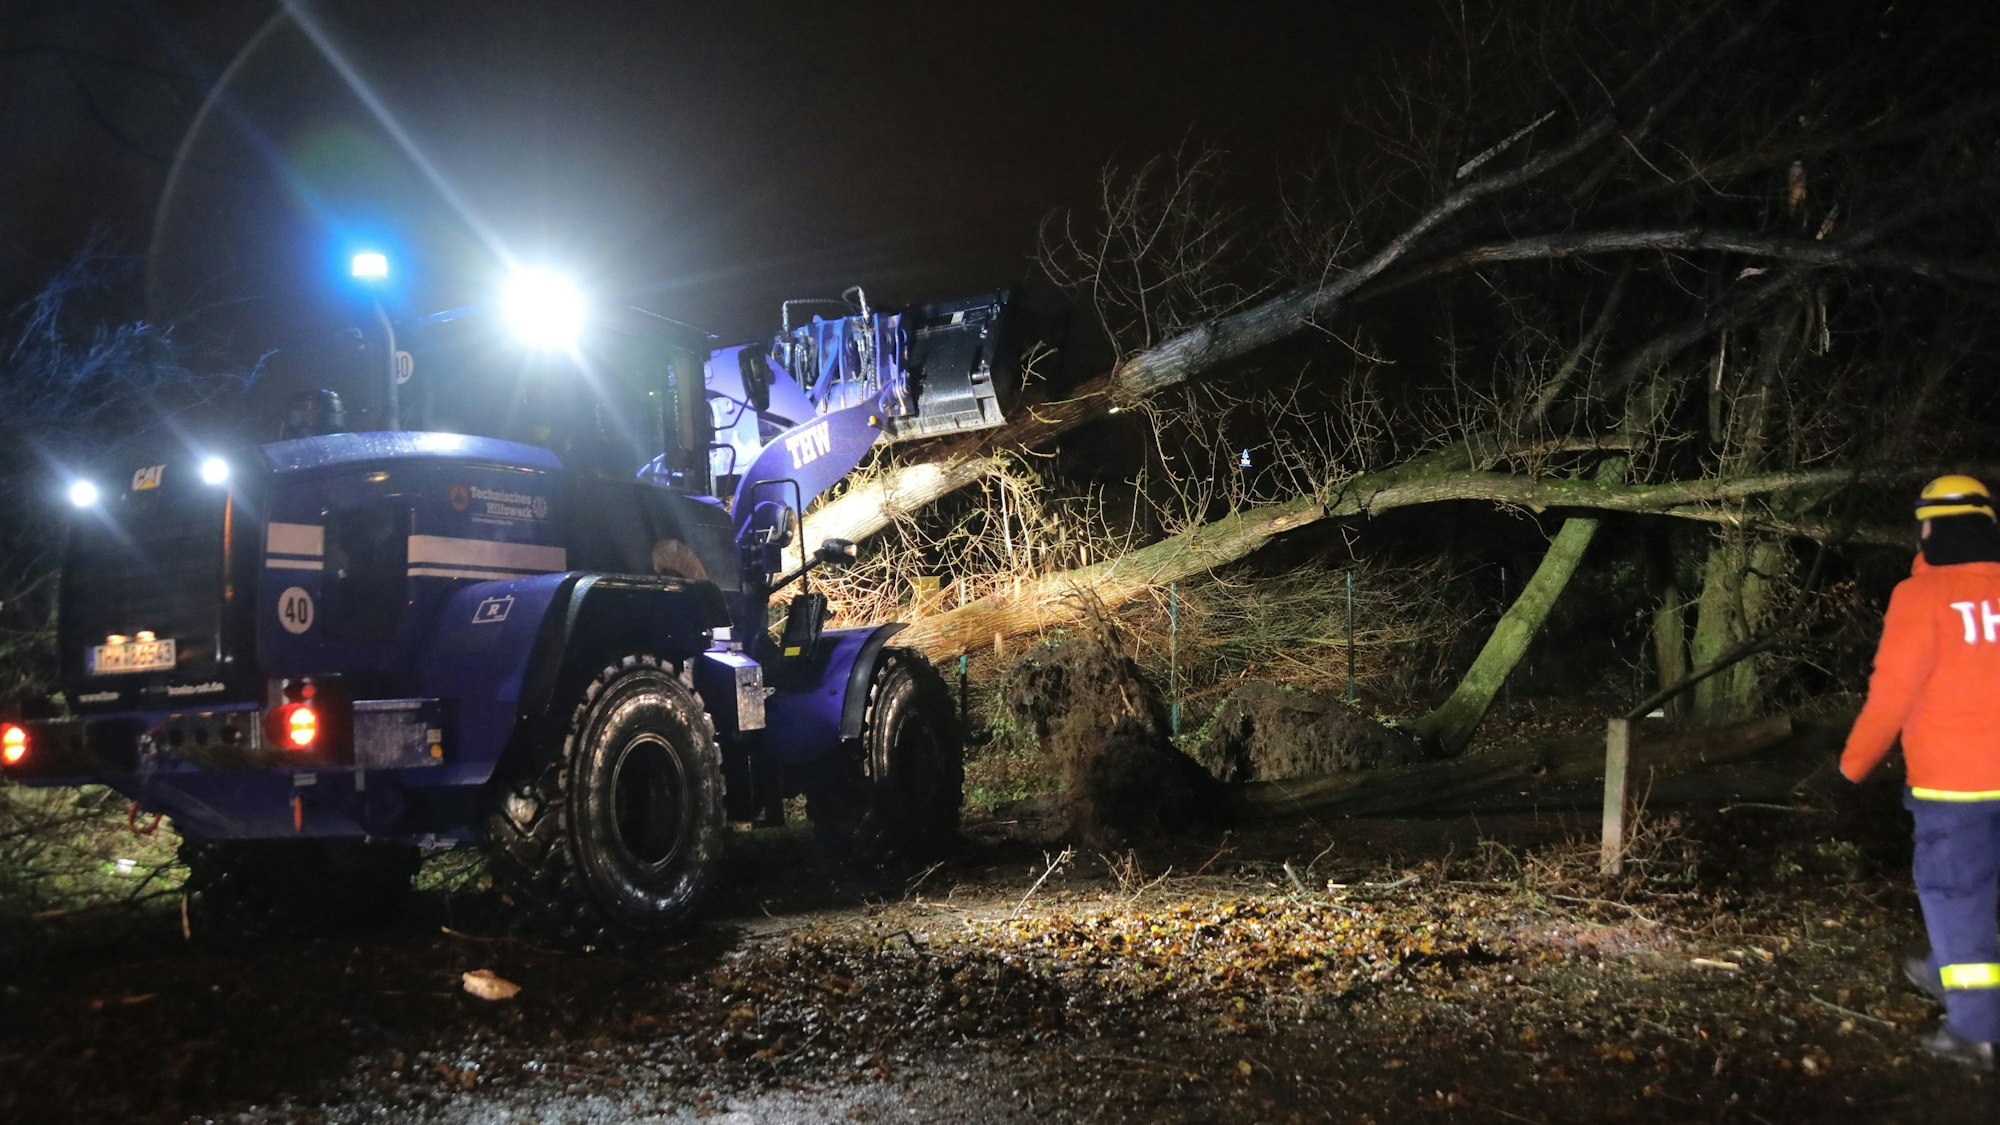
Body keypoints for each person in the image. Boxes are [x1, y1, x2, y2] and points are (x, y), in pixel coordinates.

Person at [1842, 474, 2000, 1071]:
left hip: (1953, 786)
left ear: (1931, 528)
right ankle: (1947, 967)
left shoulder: (1921, 598)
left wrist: (1856, 762)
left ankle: (1975, 1031)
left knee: (1958, 896)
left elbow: (1892, 694)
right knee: (1971, 901)